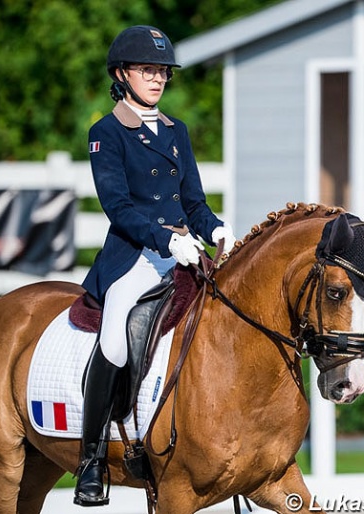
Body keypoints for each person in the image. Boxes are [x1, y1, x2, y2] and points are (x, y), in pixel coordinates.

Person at [74, 25, 236, 507]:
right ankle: (92, 458)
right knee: (117, 329)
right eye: (148, 70)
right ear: (122, 74)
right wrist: (166, 239)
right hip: (134, 257)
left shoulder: (176, 131)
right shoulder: (106, 133)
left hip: (185, 251)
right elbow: (118, 208)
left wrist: (215, 229)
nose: (158, 78)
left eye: (162, 71)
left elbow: (193, 202)